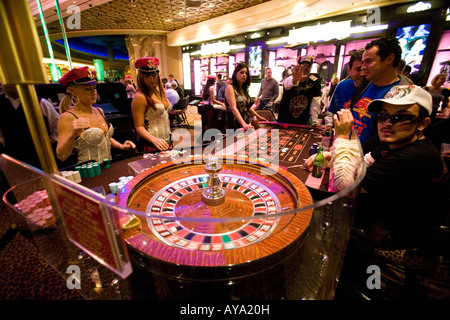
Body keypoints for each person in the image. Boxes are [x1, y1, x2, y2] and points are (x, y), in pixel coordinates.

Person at [330, 85, 448, 299]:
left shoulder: (414, 156)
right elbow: (362, 159)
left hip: (399, 239)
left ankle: (367, 289)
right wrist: (335, 158)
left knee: (328, 229)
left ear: (422, 124)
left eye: (401, 117)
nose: (388, 124)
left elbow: (345, 187)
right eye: (383, 116)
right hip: (389, 219)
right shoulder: (394, 142)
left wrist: (342, 137)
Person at [56, 67, 135, 164]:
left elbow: (104, 138)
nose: (94, 92)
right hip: (88, 173)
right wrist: (72, 135)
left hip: (108, 167)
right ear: (72, 90)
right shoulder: (68, 117)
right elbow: (61, 156)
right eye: (87, 89)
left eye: (94, 88)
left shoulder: (99, 111)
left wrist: (121, 146)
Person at [349, 36, 413, 146]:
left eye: (368, 61)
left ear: (389, 59)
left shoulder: (403, 93)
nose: (363, 68)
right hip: (351, 152)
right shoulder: (365, 84)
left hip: (370, 157)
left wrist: (355, 152)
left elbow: (386, 136)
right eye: (363, 62)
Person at [0, 83, 60, 169]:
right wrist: (3, 140)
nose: (10, 84)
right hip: (13, 156)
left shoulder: (39, 102)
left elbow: (57, 123)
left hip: (40, 155)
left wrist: (54, 138)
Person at [131, 57, 172, 152]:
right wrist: (154, 139)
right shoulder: (140, 96)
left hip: (166, 141)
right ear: (141, 77)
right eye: (147, 75)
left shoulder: (161, 92)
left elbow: (166, 117)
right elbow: (139, 126)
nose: (151, 79)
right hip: (151, 143)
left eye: (154, 74)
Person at [323, 49, 365, 131]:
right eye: (358, 69)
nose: (362, 74)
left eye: (365, 69)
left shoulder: (373, 87)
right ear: (349, 70)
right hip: (341, 135)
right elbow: (332, 111)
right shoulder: (342, 85)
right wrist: (329, 125)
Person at [277, 56, 322, 126]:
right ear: (298, 66)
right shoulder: (291, 77)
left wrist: (314, 122)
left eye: (308, 65)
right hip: (283, 120)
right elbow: (286, 84)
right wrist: (295, 80)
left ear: (311, 67)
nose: (305, 67)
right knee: (274, 136)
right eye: (303, 65)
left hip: (302, 122)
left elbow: (315, 102)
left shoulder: (314, 80)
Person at [224, 63, 266, 130]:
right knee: (235, 140)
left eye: (246, 73)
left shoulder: (244, 89)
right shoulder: (230, 88)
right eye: (241, 72)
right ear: (235, 74)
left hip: (245, 121)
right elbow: (233, 108)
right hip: (234, 123)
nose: (244, 75)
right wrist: (244, 124)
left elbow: (247, 107)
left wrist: (258, 117)